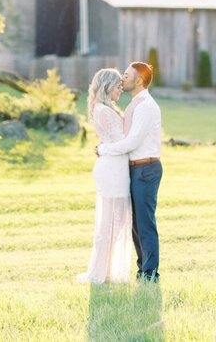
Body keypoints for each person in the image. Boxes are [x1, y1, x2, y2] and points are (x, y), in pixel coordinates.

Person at [96, 61, 163, 282]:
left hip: (146, 168)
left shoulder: (145, 106)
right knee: (136, 224)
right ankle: (142, 269)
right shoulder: (136, 103)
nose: (122, 79)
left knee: (144, 223)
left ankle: (150, 273)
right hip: (135, 169)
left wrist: (104, 149)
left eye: (127, 75)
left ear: (139, 80)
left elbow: (132, 142)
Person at [78, 68, 133, 284]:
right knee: (109, 221)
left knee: (115, 222)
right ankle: (103, 272)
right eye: (118, 86)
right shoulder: (103, 110)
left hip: (114, 166)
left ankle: (108, 269)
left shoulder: (104, 108)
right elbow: (121, 143)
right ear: (108, 86)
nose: (121, 89)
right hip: (112, 169)